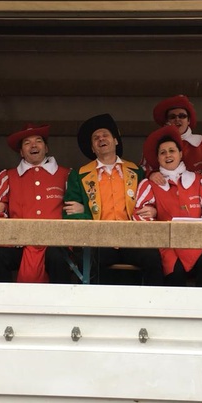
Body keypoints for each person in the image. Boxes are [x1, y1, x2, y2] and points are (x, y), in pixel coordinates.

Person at [63, 113, 164, 285]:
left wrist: (154, 210)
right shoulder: (79, 175)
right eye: (96, 138)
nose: (101, 139)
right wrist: (87, 213)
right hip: (99, 240)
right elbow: (70, 212)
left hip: (132, 239)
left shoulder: (136, 171)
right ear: (92, 148)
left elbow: (154, 198)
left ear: (116, 141)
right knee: (90, 262)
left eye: (105, 135)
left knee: (153, 258)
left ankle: (153, 301)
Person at [134, 126, 202, 286]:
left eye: (172, 151)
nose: (168, 155)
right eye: (163, 153)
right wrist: (156, 218)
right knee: (174, 273)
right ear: (158, 158)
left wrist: (201, 229)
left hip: (199, 243)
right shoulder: (148, 185)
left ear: (181, 154)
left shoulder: (201, 180)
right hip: (168, 246)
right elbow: (140, 217)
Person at [0, 123, 72, 283]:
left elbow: (78, 204)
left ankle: (61, 299)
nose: (33, 145)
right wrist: (4, 210)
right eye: (27, 143)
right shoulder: (8, 176)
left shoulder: (67, 175)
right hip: (18, 244)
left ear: (46, 148)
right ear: (21, 152)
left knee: (57, 257)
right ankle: (3, 298)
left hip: (56, 242)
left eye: (38, 141)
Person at [147, 94, 202, 177]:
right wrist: (151, 174)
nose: (177, 119)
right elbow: (144, 169)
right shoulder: (155, 146)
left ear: (189, 120)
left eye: (182, 116)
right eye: (172, 117)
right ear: (166, 121)